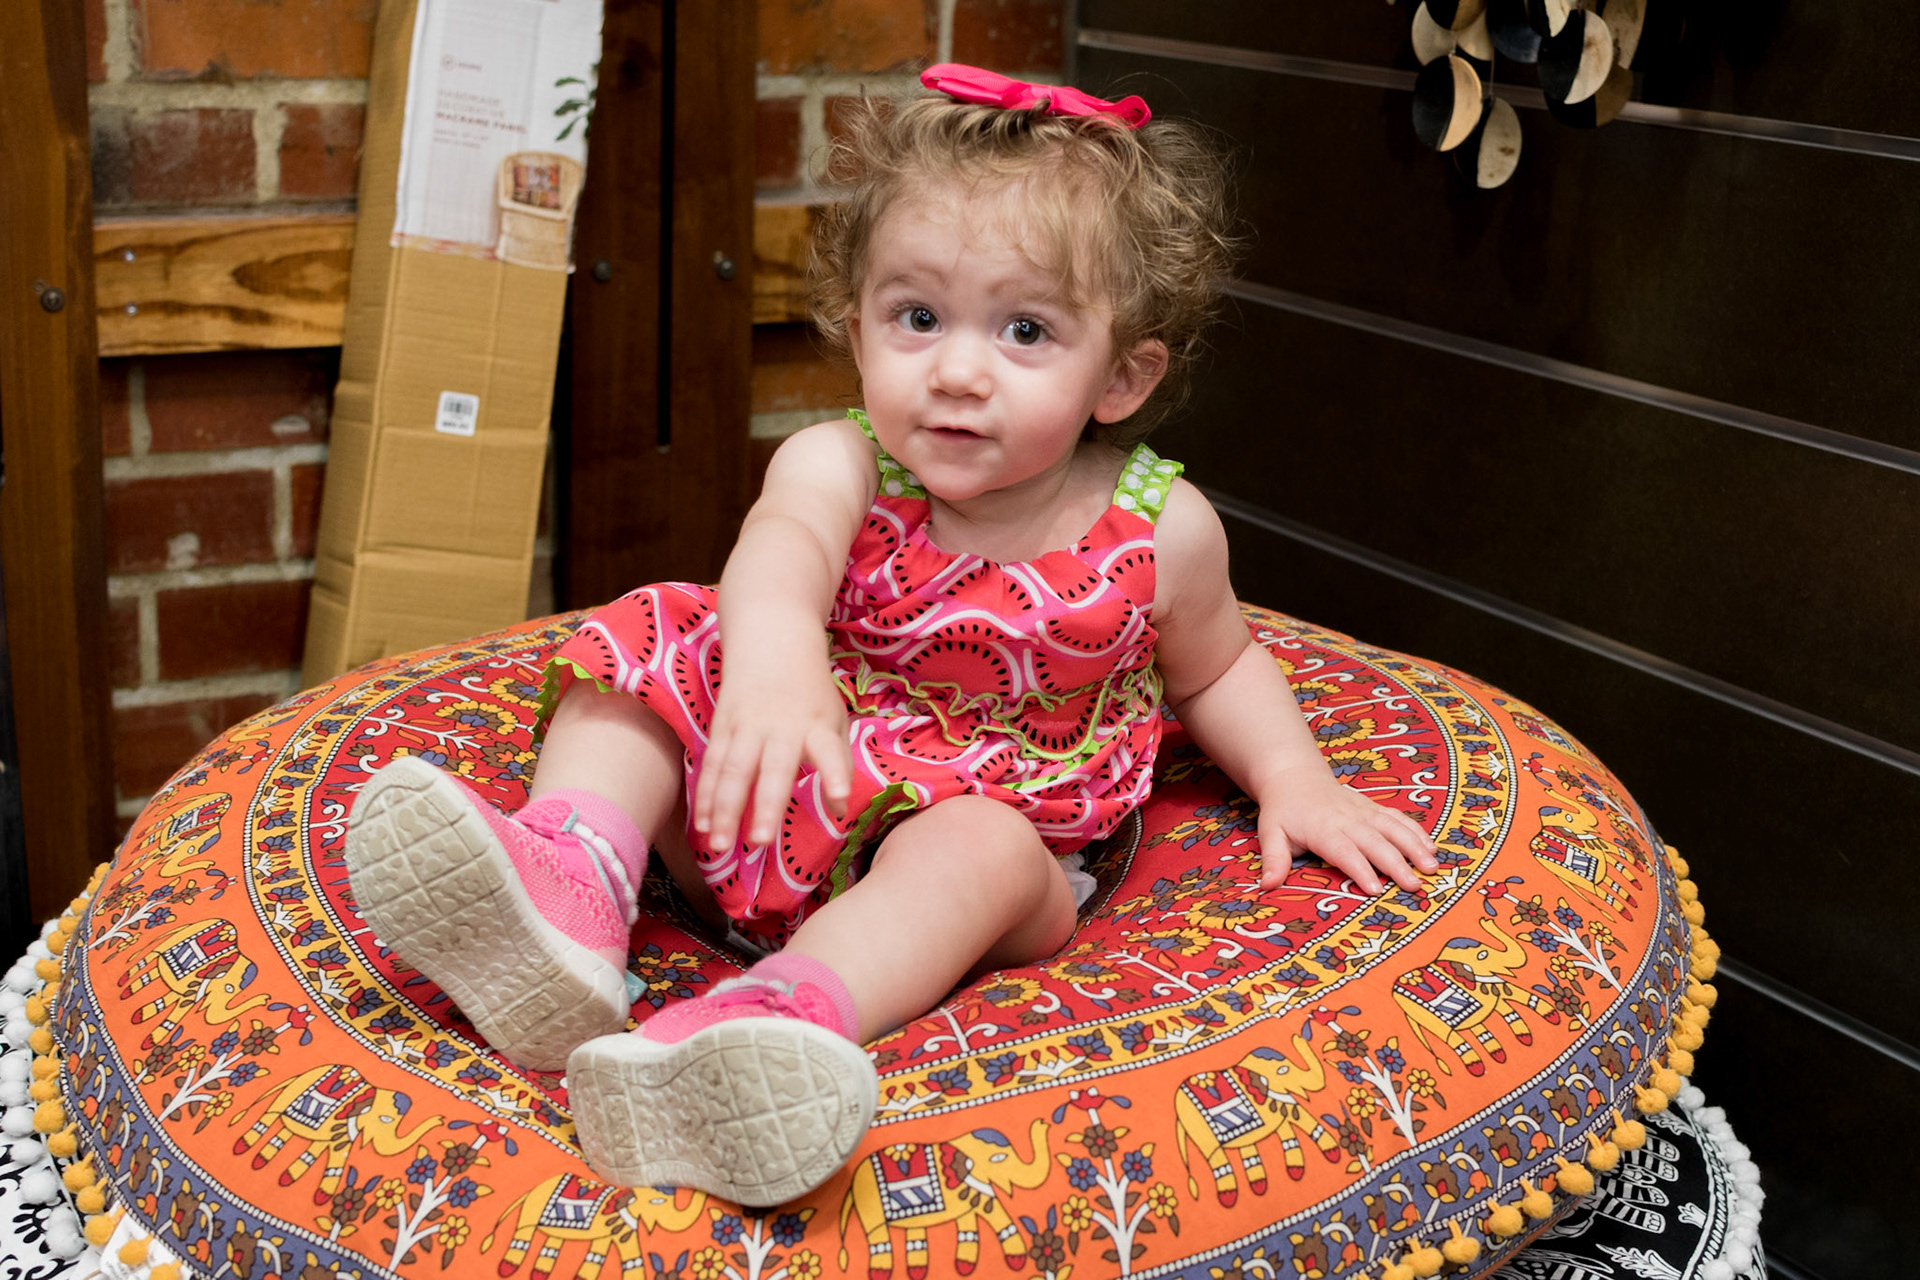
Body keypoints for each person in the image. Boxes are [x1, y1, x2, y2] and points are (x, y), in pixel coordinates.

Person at [344, 63, 1438, 1207]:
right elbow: (779, 548)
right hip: (776, 787)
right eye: (917, 317)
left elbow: (1220, 667)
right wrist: (775, 660)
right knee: (656, 634)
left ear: (1121, 374)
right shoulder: (842, 461)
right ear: (857, 323)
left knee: (981, 847)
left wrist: (1296, 778)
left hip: (972, 838)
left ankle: (768, 1022)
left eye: (1025, 330)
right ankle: (574, 878)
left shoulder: (1160, 529)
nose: (956, 370)